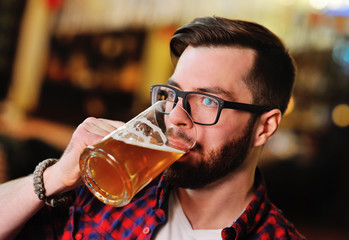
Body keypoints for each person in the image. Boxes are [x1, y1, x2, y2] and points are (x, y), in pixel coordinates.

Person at [0, 16, 306, 239]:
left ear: (265, 127)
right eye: (173, 94)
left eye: (208, 101)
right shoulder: (112, 189)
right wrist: (54, 177)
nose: (175, 117)